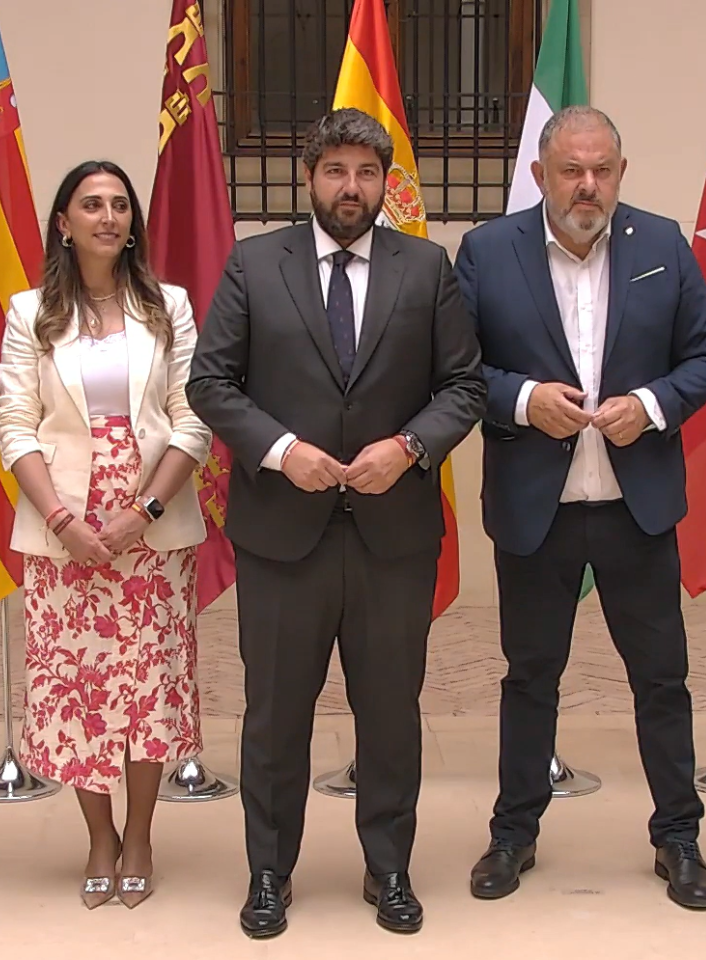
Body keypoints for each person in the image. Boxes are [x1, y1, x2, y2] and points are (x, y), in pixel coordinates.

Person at [187, 107, 485, 939]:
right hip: (284, 533)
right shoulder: (254, 264)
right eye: (334, 171)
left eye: (365, 173)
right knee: (276, 714)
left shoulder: (426, 268)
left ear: (385, 182)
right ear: (307, 178)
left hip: (393, 536)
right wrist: (282, 450)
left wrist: (411, 447)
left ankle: (388, 867)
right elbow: (211, 384)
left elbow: (464, 386)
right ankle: (269, 873)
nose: (349, 187)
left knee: (391, 710)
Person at [454, 106, 706, 910]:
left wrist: (649, 404)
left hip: (635, 507)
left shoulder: (662, 245)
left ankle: (678, 838)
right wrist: (522, 398)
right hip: (535, 508)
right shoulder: (488, 251)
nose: (588, 184)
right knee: (530, 676)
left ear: (621, 172)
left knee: (662, 680)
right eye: (571, 169)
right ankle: (514, 834)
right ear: (540, 174)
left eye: (602, 168)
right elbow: (460, 369)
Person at [0, 160, 212, 910]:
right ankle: (99, 836)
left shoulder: (168, 307)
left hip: (151, 523)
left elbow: (193, 418)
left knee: (147, 683)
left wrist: (140, 512)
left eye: (120, 205)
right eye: (92, 204)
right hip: (64, 526)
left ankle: (143, 833)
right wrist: (62, 519)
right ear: (64, 222)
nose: (109, 217)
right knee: (80, 684)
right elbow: (13, 423)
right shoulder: (31, 314)